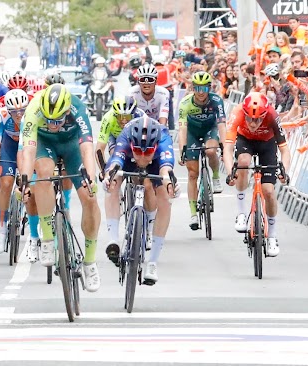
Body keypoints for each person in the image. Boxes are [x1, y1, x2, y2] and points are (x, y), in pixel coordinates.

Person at [20, 84, 101, 292]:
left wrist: (90, 179)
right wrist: (25, 181)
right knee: (44, 173)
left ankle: (90, 262)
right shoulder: (33, 110)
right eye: (48, 120)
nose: (53, 124)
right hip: (44, 144)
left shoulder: (78, 109)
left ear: (66, 111)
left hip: (72, 145)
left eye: (57, 120)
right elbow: (28, 152)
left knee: (90, 198)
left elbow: (86, 149)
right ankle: (47, 238)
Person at [103, 116, 177, 285]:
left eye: (147, 152)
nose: (142, 157)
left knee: (165, 198)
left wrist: (170, 184)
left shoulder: (163, 138)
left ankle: (152, 263)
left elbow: (166, 169)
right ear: (131, 145)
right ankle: (113, 239)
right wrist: (109, 178)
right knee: (114, 183)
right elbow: (115, 162)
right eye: (138, 151)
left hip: (156, 163)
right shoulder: (126, 135)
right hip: (128, 160)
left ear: (156, 146)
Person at [223, 92, 291, 257]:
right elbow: (228, 148)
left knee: (268, 191)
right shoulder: (237, 112)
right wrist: (230, 171)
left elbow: (284, 149)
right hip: (245, 140)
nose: (253, 123)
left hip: (267, 143)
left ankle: (272, 236)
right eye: (250, 119)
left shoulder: (273, 116)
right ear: (244, 114)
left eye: (258, 119)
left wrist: (285, 171)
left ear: (265, 115)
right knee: (243, 163)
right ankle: (241, 213)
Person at [177, 71, 227, 230]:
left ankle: (216, 176)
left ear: (209, 88)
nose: (200, 93)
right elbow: (182, 130)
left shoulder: (216, 101)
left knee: (211, 151)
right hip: (191, 132)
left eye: (204, 89)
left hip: (209, 130)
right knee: (192, 174)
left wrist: (225, 147)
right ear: (192, 88)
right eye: (197, 88)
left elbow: (221, 125)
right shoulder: (185, 103)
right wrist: (182, 150)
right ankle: (193, 214)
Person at [97, 96, 146, 250]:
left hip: (137, 142)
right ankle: (113, 239)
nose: (123, 121)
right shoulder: (108, 118)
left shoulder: (141, 117)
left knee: (143, 178)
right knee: (114, 177)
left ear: (134, 114)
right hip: (116, 142)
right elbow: (99, 149)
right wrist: (104, 172)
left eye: (127, 117)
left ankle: (146, 226)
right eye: (120, 117)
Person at [0, 89, 29, 253]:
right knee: (6, 182)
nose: (19, 114)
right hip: (8, 144)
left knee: (29, 181)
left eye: (22, 110)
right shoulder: (1, 115)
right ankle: (2, 229)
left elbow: (25, 146)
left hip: (27, 144)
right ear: (8, 110)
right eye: (14, 112)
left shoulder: (31, 116)